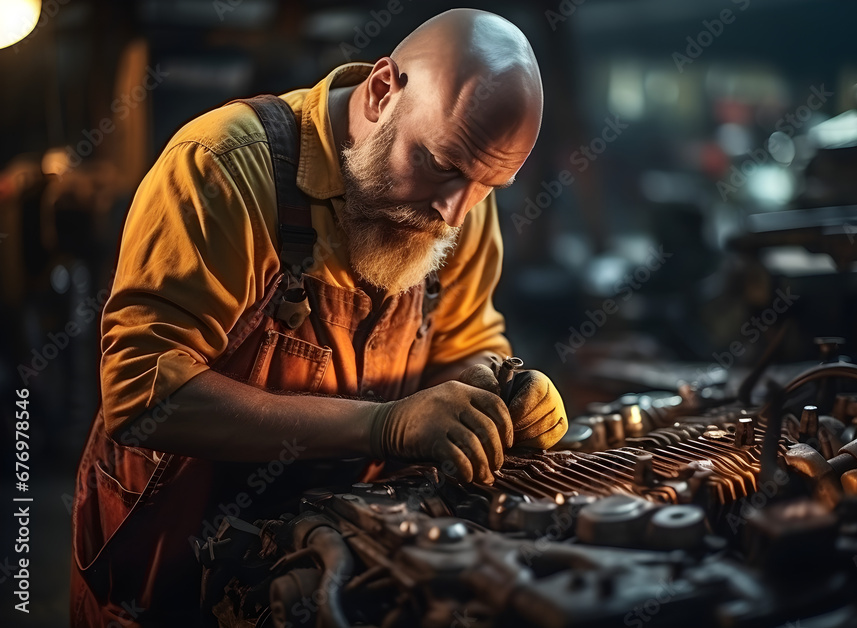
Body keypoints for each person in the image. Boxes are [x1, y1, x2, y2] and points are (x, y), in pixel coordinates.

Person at [70, 8, 567, 626]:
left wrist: (496, 388)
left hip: (335, 559)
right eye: (443, 164)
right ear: (383, 91)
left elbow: (465, 344)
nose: (454, 213)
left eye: (489, 184)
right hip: (168, 568)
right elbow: (144, 396)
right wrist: (382, 427)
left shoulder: (460, 199)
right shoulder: (223, 169)